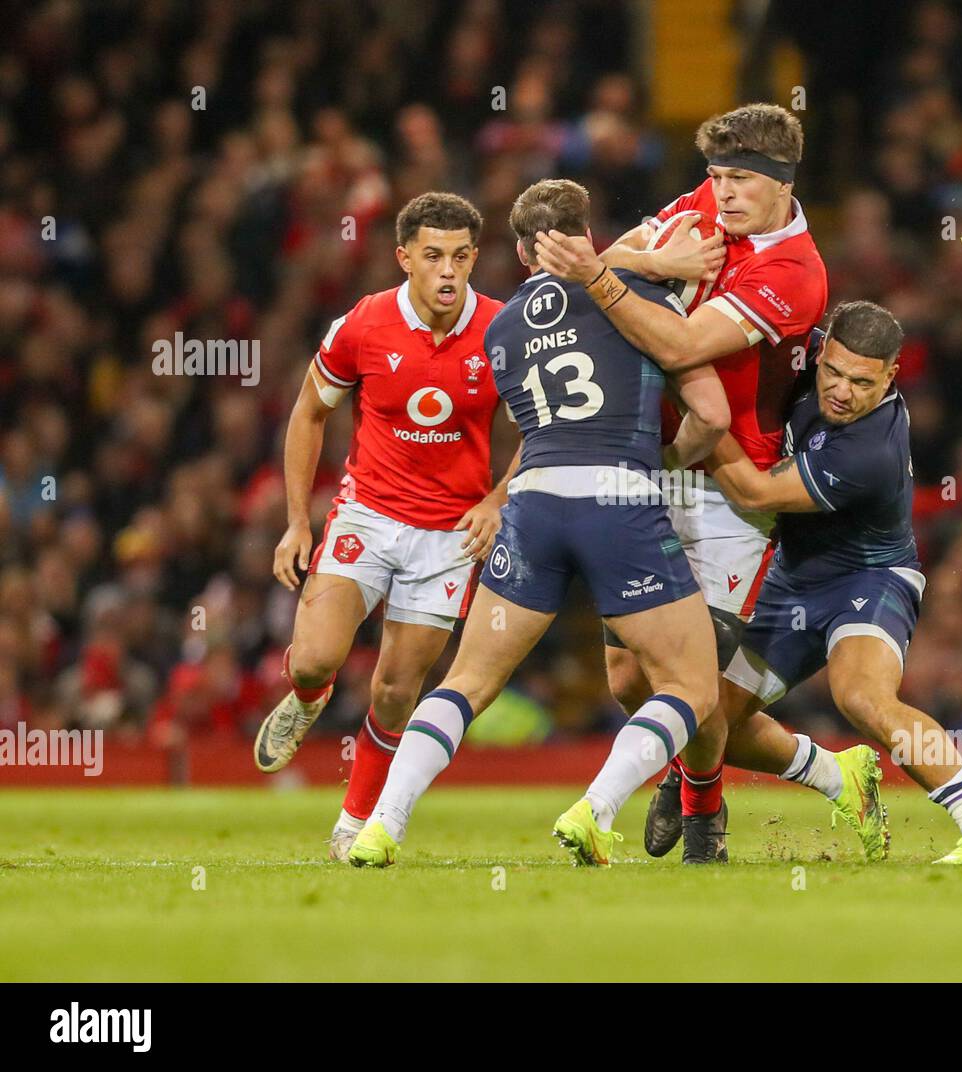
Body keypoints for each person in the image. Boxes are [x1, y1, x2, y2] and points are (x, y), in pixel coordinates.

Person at [348, 178, 731, 868]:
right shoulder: (640, 297)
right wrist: (670, 457)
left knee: (465, 683)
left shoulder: (500, 325)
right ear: (587, 232)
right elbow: (712, 416)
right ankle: (597, 808)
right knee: (692, 687)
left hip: (532, 503)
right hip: (619, 498)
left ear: (523, 254)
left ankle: (382, 825)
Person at [534, 102, 828, 860]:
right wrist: (654, 265)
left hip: (731, 486)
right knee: (631, 678)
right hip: (657, 462)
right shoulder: (704, 206)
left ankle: (701, 812)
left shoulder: (793, 274)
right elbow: (629, 248)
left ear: (781, 184)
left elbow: (685, 337)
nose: (721, 195)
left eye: (738, 182)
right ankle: (807, 776)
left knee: (695, 679)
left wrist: (602, 275)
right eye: (715, 177)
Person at [670, 301, 962, 865]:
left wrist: (691, 406)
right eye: (832, 372)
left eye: (861, 382)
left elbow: (755, 494)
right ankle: (836, 773)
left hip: (869, 577)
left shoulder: (871, 451)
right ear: (821, 348)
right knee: (707, 721)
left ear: (890, 376)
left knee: (861, 696)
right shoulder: (807, 353)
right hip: (790, 580)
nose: (840, 390)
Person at [254, 192, 516, 861]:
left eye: (460, 255)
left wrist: (495, 499)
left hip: (450, 537)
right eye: (432, 255)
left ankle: (353, 824)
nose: (448, 270)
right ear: (404, 258)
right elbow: (308, 413)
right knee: (315, 657)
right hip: (366, 516)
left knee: (397, 691)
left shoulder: (501, 331)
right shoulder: (364, 324)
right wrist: (295, 523)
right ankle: (306, 696)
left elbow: (542, 427)